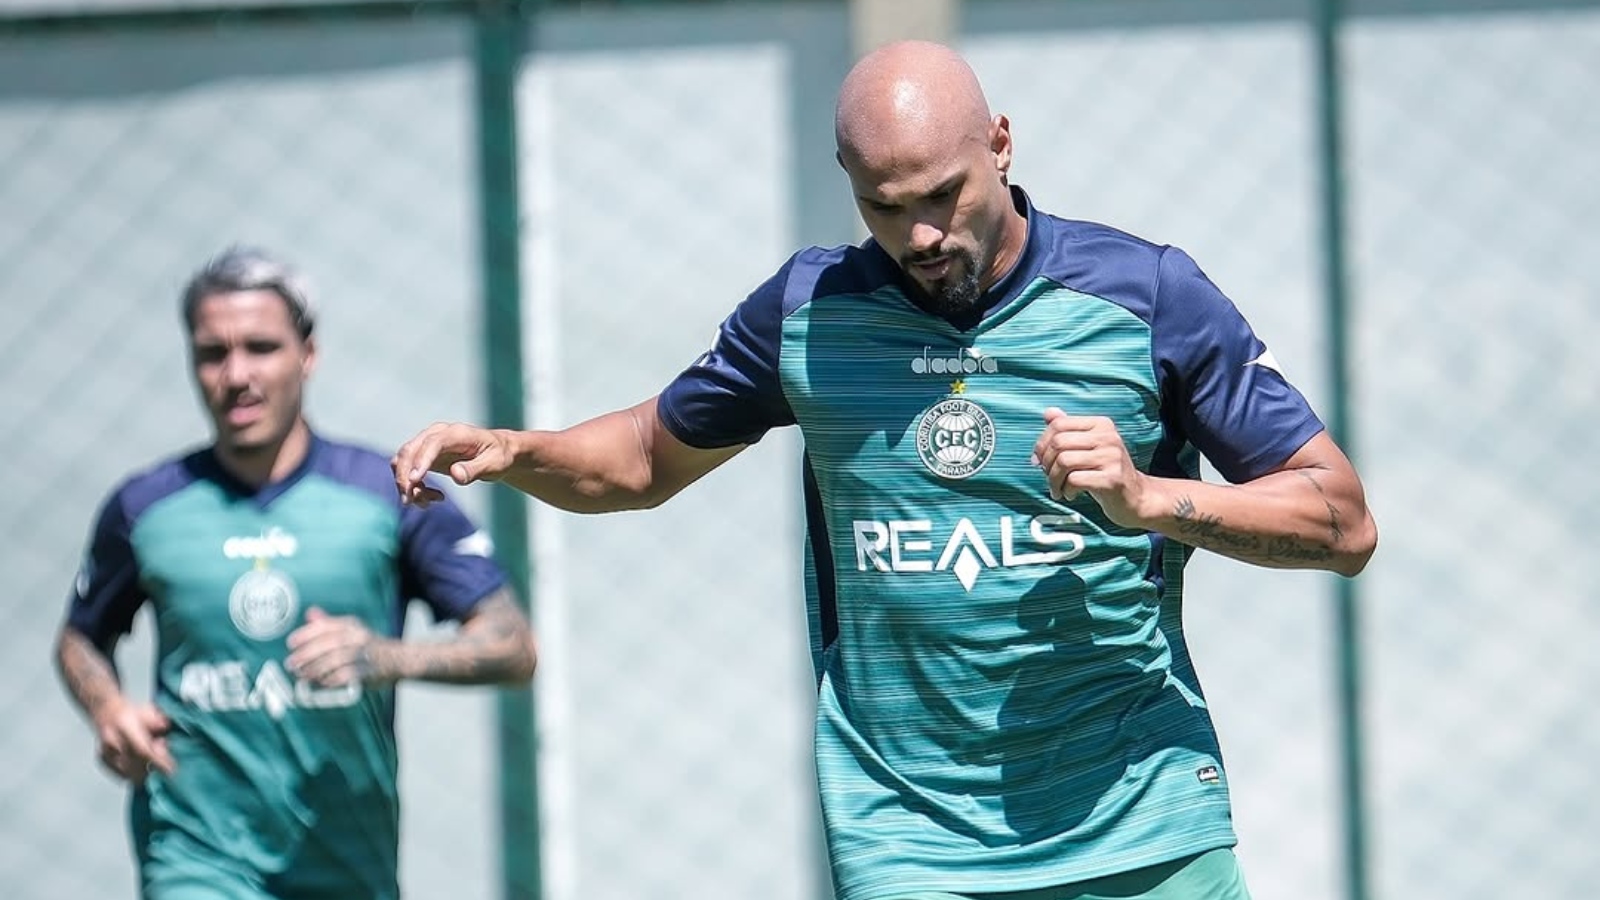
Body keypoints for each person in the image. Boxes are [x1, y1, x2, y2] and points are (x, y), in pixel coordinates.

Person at [393, 39, 1376, 900]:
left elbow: (1341, 522)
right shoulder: (808, 313)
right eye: (883, 206)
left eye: (943, 196)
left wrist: (1152, 499)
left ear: (1000, 142)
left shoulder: (1149, 296)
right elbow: (645, 458)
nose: (920, 238)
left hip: (1138, 810)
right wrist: (521, 452)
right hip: (908, 832)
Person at [55, 246, 537, 900]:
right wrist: (108, 708)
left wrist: (385, 656)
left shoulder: (389, 496)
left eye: (261, 347)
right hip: (196, 857)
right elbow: (82, 636)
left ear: (307, 354)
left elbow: (513, 647)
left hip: (346, 864)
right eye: (212, 353)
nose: (237, 374)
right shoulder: (145, 507)